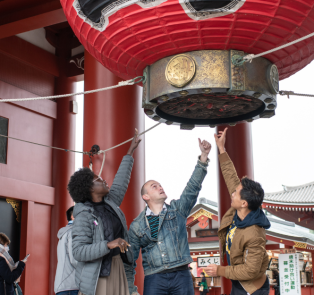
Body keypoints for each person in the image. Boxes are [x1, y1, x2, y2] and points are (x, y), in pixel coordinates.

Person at [126, 138, 212, 295]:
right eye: (154, 186)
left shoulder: (177, 210)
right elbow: (129, 261)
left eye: (160, 185)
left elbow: (192, 187)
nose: (160, 187)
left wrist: (204, 156)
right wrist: (131, 290)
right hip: (154, 277)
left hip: (181, 274)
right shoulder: (137, 226)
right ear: (145, 196)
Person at [67, 129, 141, 295]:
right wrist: (108, 244)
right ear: (89, 189)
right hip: (97, 276)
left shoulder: (110, 203)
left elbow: (121, 181)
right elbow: (78, 251)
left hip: (117, 267)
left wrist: (130, 151)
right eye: (98, 180)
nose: (104, 180)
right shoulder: (83, 214)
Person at [205, 128, 270, 295]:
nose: (232, 193)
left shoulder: (254, 233)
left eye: (236, 192)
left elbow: (250, 271)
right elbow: (231, 177)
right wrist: (221, 149)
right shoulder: (241, 211)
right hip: (238, 284)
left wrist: (220, 271)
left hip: (252, 288)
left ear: (243, 203)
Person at [54, 206, 79, 295]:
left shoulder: (64, 233)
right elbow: (75, 258)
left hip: (63, 284)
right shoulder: (73, 232)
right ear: (73, 216)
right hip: (71, 285)